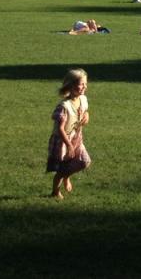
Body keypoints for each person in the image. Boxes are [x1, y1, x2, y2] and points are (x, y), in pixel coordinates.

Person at [47, 68, 91, 198]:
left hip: (76, 138)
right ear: (71, 85)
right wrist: (69, 145)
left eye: (85, 84)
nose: (84, 87)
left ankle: (66, 176)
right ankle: (55, 192)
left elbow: (85, 112)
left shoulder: (82, 99)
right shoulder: (64, 106)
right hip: (63, 141)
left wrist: (87, 116)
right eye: (81, 84)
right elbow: (60, 128)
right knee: (61, 169)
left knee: (85, 161)